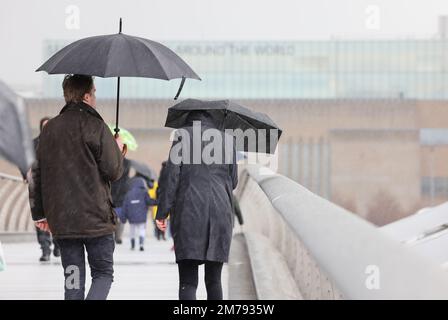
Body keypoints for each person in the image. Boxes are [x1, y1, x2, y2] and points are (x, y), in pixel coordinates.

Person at [28, 74, 124, 300]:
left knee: (73, 280)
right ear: (87, 95)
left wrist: (39, 214)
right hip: (96, 220)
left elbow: (36, 174)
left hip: (63, 221)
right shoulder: (96, 126)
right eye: (95, 93)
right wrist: (118, 152)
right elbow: (113, 171)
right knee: (102, 274)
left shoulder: (49, 130)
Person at [156, 110, 238, 300]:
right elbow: (233, 181)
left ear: (187, 118)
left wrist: (162, 213)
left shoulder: (181, 136)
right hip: (220, 213)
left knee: (188, 281)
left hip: (189, 212)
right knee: (214, 280)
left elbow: (171, 178)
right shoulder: (227, 139)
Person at [29, 117, 61, 262]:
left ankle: (58, 245)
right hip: (39, 186)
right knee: (40, 218)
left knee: (57, 218)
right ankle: (45, 249)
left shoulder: (61, 143)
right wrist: (26, 174)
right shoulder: (33, 144)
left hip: (57, 187)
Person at [122, 174, 157, 251]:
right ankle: (141, 244)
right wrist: (157, 202)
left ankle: (133, 245)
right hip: (142, 216)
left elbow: (124, 206)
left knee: (132, 230)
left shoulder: (128, 193)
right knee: (142, 229)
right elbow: (149, 201)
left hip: (131, 217)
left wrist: (123, 218)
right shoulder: (144, 192)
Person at [111, 157, 131, 244]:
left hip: (114, 196)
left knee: (113, 219)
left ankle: (115, 236)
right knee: (120, 220)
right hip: (120, 197)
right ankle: (118, 236)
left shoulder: (112, 161)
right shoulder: (127, 164)